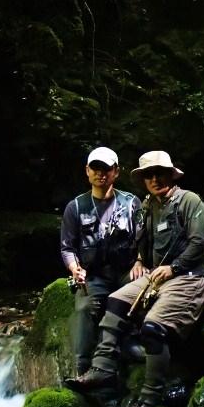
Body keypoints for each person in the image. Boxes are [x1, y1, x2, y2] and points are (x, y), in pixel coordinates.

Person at [65, 150, 204, 407]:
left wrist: (174, 267)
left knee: (152, 329)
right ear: (144, 180)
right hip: (155, 276)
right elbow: (142, 242)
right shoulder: (147, 206)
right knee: (116, 300)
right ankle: (103, 368)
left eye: (160, 173)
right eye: (149, 175)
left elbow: (200, 242)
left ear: (171, 174)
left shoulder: (190, 201)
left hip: (188, 278)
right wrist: (141, 260)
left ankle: (149, 398)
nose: (155, 179)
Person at [60, 146, 142, 375]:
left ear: (116, 172)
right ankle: (82, 367)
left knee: (143, 293)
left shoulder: (131, 203)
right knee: (85, 307)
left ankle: (132, 344)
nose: (100, 173)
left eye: (106, 168)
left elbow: (146, 237)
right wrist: (74, 268)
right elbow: (67, 248)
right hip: (94, 276)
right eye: (95, 168)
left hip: (127, 271)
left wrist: (140, 261)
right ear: (87, 171)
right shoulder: (75, 207)